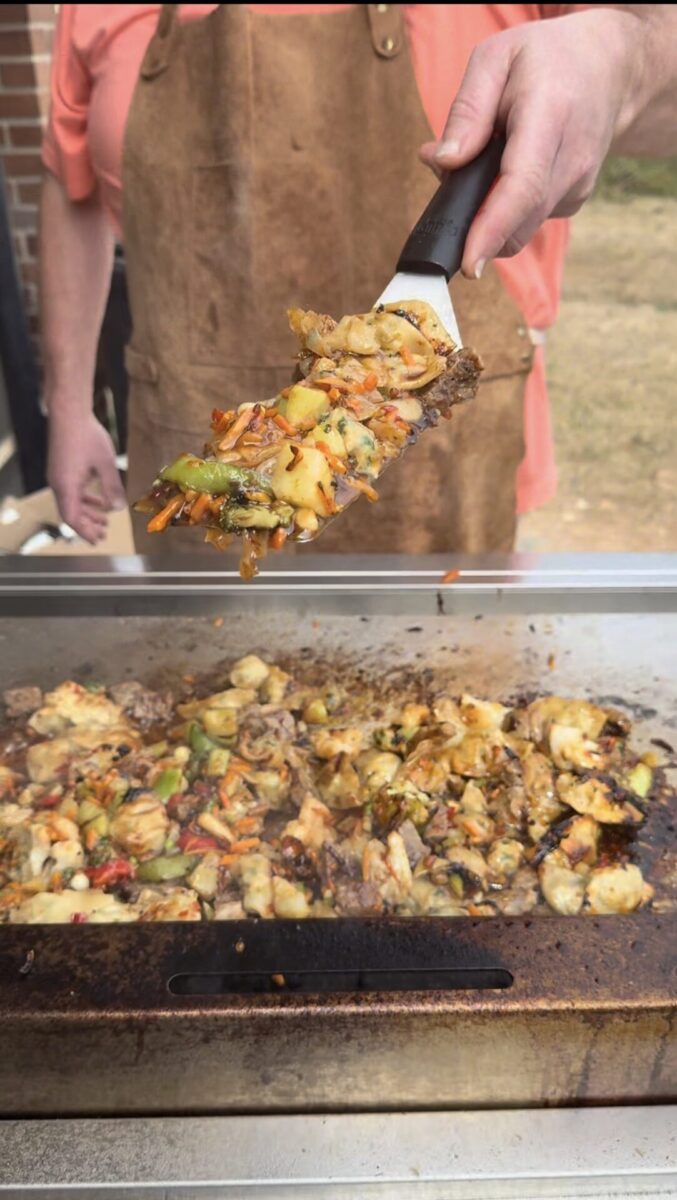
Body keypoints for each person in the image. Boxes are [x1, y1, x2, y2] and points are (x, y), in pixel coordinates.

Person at [40, 4, 677, 554]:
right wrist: (68, 408)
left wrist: (621, 53)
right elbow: (70, 189)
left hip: (453, 477)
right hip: (199, 461)